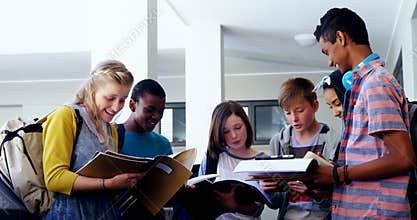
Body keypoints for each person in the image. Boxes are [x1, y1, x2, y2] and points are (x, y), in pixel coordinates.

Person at [313, 8, 415, 219]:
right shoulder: (364, 85)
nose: (330, 62)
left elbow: (403, 158)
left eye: (327, 52)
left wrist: (336, 174)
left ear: (340, 38)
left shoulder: (375, 83)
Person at [42, 60, 144, 219]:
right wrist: (107, 184)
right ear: (91, 89)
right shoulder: (66, 117)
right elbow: (54, 178)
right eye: (110, 98)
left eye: (122, 100)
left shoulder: (111, 130)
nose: (116, 107)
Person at [260, 77, 340, 219]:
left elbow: (339, 197)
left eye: (300, 111)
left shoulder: (333, 141)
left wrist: (312, 192)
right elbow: (276, 202)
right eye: (287, 112)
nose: (294, 119)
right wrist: (267, 190)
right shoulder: (278, 142)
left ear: (315, 106)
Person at [181, 101, 266, 220]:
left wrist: (234, 206)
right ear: (218, 133)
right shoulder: (213, 157)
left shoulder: (261, 160)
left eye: (238, 127)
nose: (234, 136)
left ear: (246, 124)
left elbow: (259, 208)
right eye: (226, 131)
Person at [117, 79, 172, 158]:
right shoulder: (111, 138)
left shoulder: (163, 144)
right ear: (132, 105)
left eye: (160, 111)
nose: (156, 116)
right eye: (149, 110)